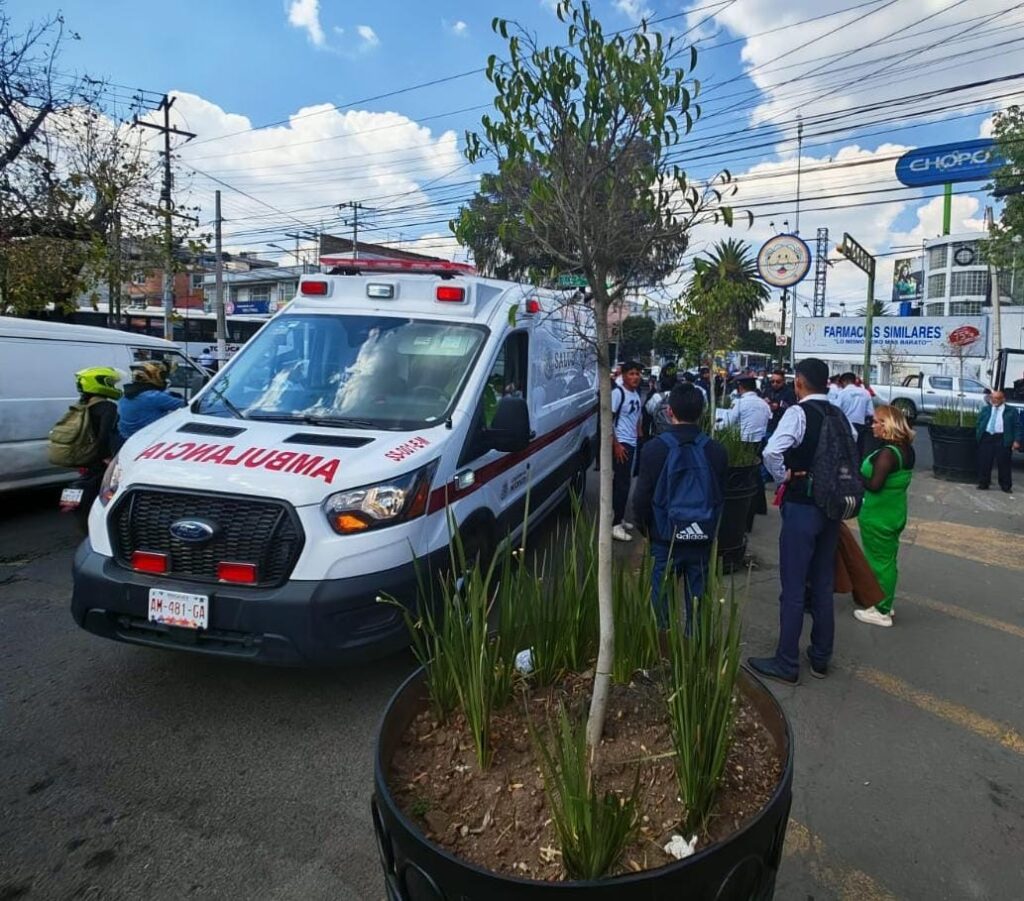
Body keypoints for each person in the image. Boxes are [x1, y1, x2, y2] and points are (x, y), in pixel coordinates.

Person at [748, 357, 856, 685]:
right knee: (822, 582)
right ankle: (821, 657)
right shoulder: (840, 415)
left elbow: (771, 452)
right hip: (832, 508)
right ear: (826, 382)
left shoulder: (798, 413)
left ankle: (786, 661)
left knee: (793, 586)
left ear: (798, 382)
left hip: (802, 506)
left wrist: (785, 477)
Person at [633, 383, 727, 628]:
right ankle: (695, 657)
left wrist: (646, 529)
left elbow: (641, 497)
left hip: (665, 538)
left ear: (670, 411)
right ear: (702, 411)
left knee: (660, 604)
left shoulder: (654, 449)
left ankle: (663, 656)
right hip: (702, 538)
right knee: (698, 605)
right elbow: (720, 495)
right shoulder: (716, 450)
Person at [853, 405, 916, 628]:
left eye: (876, 421)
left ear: (886, 425)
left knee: (879, 562)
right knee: (887, 560)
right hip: (894, 512)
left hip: (878, 515)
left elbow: (874, 485)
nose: (872, 425)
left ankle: (881, 611)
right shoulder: (905, 449)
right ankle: (884, 602)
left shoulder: (888, 453)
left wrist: (854, 474)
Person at [610, 361, 644, 541]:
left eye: (637, 373)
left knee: (624, 483)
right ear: (623, 375)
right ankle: (614, 525)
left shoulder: (635, 394)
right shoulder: (617, 393)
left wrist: (639, 434)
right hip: (621, 444)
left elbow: (636, 417)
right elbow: (608, 419)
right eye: (631, 373)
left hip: (632, 443)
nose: (635, 377)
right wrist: (615, 444)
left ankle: (619, 517)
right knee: (622, 485)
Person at [117, 362, 187, 445]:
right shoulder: (154, 397)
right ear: (153, 376)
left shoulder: (126, 394)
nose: (163, 379)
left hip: (125, 439)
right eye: (162, 375)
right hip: (148, 441)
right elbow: (187, 405)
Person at [975, 391, 1022, 494]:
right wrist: (979, 432)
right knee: (985, 461)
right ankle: (983, 483)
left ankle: (1005, 485)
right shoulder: (986, 409)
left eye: (996, 398)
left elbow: (1017, 426)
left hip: (1002, 438)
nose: (994, 400)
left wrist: (1017, 440)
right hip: (987, 437)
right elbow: (979, 422)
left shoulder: (1011, 411)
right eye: (992, 398)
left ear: (1003, 399)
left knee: (1004, 463)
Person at [837, 371, 872, 455]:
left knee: (845, 452)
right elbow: (870, 412)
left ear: (844, 382)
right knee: (859, 451)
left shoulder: (842, 393)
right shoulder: (865, 392)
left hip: (845, 425)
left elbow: (836, 409)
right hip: (860, 426)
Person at [644, 364, 680, 437]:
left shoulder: (656, 397)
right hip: (678, 436)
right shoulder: (682, 396)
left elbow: (647, 416)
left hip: (660, 437)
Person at [762, 370, 797, 437]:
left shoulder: (789, 392)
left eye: (778, 382)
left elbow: (792, 409)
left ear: (783, 381)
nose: (775, 384)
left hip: (782, 426)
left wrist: (779, 407)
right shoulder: (767, 390)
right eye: (772, 381)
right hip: (767, 425)